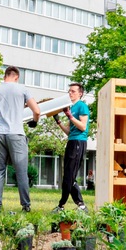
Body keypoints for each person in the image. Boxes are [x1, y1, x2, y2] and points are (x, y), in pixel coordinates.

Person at [0, 66, 40, 212]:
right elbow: (37, 111)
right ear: (16, 77)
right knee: (21, 172)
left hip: (0, 135)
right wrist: (34, 121)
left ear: (5, 76)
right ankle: (25, 206)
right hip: (16, 134)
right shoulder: (22, 89)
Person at [53, 82, 90, 212]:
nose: (70, 93)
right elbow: (69, 131)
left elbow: (83, 127)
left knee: (69, 176)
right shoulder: (72, 107)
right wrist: (58, 121)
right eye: (69, 91)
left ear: (80, 93)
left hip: (79, 143)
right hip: (71, 141)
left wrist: (69, 116)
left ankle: (61, 205)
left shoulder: (82, 106)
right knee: (69, 176)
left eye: (73, 91)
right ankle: (81, 205)